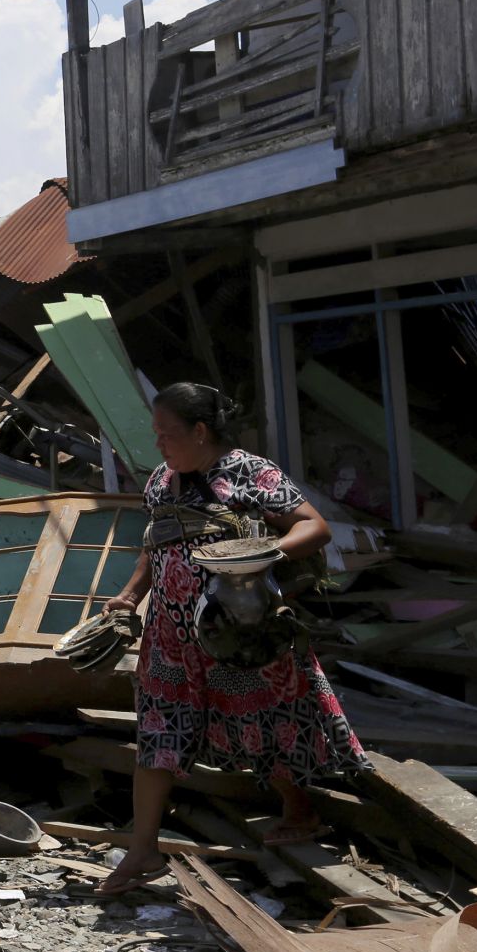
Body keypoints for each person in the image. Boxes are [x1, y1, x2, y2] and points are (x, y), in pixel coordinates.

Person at [96, 382, 369, 896]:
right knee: (157, 730)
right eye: (155, 434)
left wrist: (262, 557)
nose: (159, 444)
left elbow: (314, 526)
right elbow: (154, 545)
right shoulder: (161, 480)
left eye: (167, 434)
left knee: (261, 717)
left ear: (200, 432)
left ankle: (300, 809)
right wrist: (130, 597)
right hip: (172, 637)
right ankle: (143, 850)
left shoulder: (249, 472)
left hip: (238, 627)